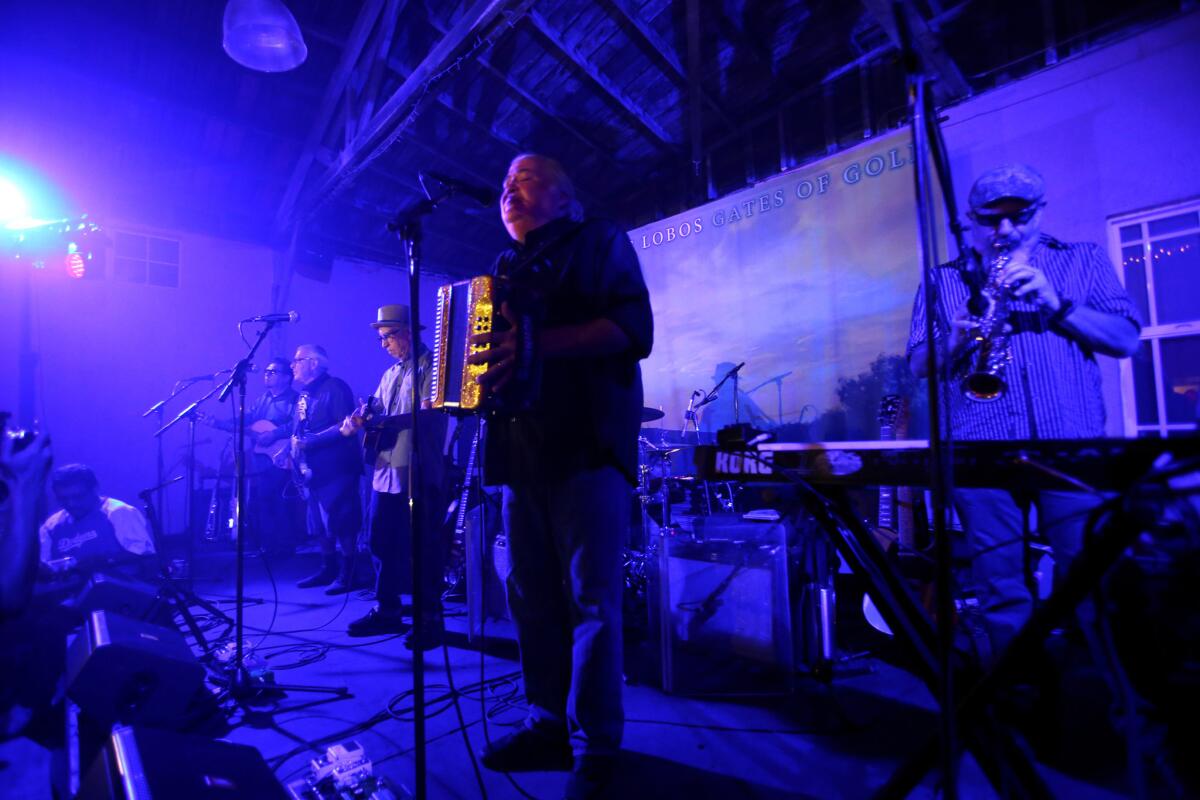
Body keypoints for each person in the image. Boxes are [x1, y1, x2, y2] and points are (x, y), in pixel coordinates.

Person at [468, 154, 653, 799]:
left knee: (590, 601)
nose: (507, 190)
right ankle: (546, 722)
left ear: (567, 197)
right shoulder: (503, 269)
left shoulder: (600, 240)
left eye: (523, 178)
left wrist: (537, 345)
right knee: (529, 596)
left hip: (588, 447)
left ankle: (596, 744)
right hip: (521, 454)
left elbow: (634, 330)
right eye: (503, 184)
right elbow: (490, 365)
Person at [340, 305, 447, 649]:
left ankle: (429, 619)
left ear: (405, 333)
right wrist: (362, 417)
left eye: (387, 337)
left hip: (417, 468)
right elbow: (380, 412)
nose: (383, 345)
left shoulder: (433, 368)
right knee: (380, 540)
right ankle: (388, 610)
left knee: (421, 547)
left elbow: (430, 416)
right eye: (381, 339)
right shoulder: (389, 374)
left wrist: (383, 421)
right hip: (386, 469)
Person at [202, 356, 303, 556]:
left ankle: (285, 545)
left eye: (273, 372)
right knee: (263, 500)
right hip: (262, 459)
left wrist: (274, 434)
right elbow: (245, 420)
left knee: (278, 500)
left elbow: (298, 423)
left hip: (284, 457)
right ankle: (269, 545)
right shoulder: (262, 400)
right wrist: (217, 423)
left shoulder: (295, 399)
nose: (267, 375)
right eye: (266, 371)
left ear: (287, 377)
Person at [291, 344, 364, 593]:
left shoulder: (335, 387)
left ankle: (348, 573)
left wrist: (310, 441)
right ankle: (328, 568)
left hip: (338, 468)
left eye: (298, 360)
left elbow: (346, 425)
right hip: (314, 470)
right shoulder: (303, 394)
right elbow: (301, 428)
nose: (293, 365)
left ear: (314, 362)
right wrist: (290, 449)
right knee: (320, 523)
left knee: (342, 520)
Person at [38, 464, 156, 580]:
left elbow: (145, 558)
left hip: (122, 592)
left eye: (78, 497)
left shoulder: (118, 512)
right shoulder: (51, 526)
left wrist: (104, 561)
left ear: (95, 489)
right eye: (63, 499)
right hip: (70, 596)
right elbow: (42, 568)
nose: (71, 504)